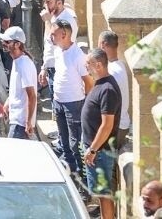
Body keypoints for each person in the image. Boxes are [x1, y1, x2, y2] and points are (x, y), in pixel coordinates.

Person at [50, 19, 92, 176]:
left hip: (74, 104)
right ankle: (70, 174)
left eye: (53, 34)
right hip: (59, 102)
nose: (51, 37)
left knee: (75, 144)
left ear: (64, 34)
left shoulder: (78, 56)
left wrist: (86, 104)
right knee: (64, 141)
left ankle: (82, 181)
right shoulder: (58, 51)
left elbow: (88, 82)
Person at [82, 49, 120, 219]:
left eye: (88, 63)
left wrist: (92, 150)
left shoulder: (108, 89)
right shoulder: (100, 84)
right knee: (101, 194)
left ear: (98, 65)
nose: (85, 66)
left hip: (101, 152)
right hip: (96, 150)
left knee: (104, 195)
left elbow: (107, 125)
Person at [0, 27, 38, 139]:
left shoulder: (24, 64)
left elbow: (32, 96)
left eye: (7, 42)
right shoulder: (17, 61)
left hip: (20, 123)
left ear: (17, 44)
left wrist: (28, 122)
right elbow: (18, 89)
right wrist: (8, 103)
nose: (3, 44)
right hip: (16, 120)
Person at [98, 30, 131, 149]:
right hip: (120, 125)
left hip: (116, 127)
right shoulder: (119, 65)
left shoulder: (111, 72)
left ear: (103, 45)